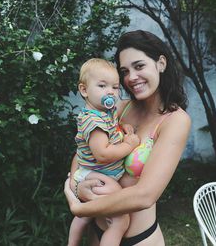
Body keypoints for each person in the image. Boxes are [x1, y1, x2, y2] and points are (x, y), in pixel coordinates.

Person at [65, 30, 191, 245]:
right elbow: (82, 155)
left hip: (139, 239)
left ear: (161, 63)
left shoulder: (175, 121)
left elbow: (145, 195)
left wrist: (79, 207)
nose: (131, 77)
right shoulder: (119, 109)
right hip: (97, 233)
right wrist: (77, 187)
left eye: (139, 66)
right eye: (125, 71)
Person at [68, 58, 141, 246]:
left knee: (86, 214)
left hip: (92, 172)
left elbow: (111, 127)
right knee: (121, 221)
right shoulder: (95, 122)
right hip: (99, 175)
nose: (110, 91)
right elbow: (102, 154)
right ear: (84, 90)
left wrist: (122, 126)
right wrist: (130, 145)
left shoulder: (103, 113)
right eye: (102, 86)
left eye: (115, 87)